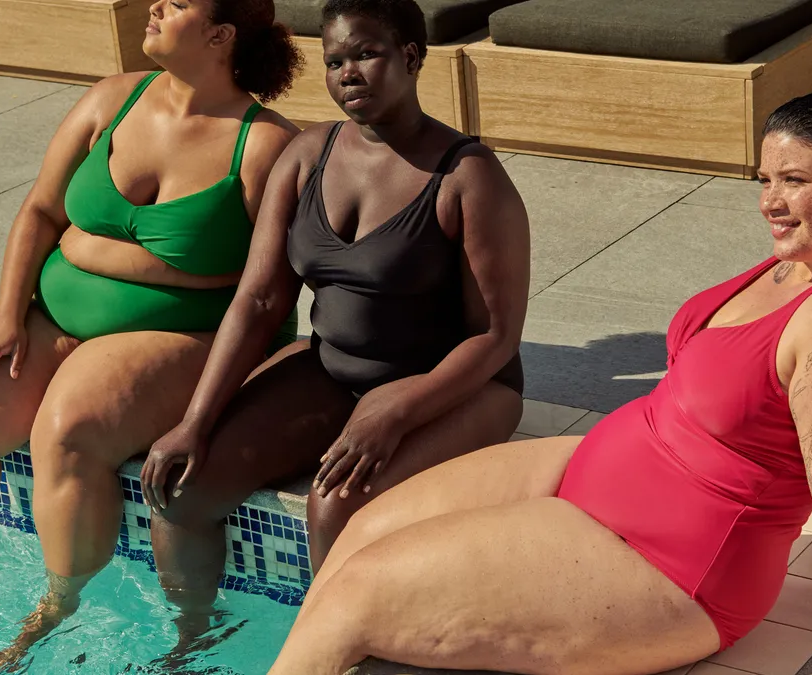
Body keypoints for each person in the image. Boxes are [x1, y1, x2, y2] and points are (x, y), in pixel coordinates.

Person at [266, 89, 812, 675]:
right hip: (604, 471)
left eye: (794, 180)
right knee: (356, 534)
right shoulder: (800, 263)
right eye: (764, 180)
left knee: (357, 594)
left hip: (674, 561)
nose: (771, 201)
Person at [0, 0, 303, 670]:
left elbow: (271, 285)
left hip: (187, 335)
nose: (155, 5)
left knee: (67, 426)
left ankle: (57, 607)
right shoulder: (112, 100)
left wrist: (107, 256)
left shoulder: (265, 143)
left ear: (220, 37)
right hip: (54, 315)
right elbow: (40, 209)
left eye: (179, 2)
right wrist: (7, 312)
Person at [138, 0, 529, 654]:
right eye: (335, 62)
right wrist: (194, 421)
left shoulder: (468, 178)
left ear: (410, 55)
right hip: (333, 370)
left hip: (461, 386)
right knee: (179, 488)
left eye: (368, 54)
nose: (350, 74)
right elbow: (260, 300)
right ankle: (191, 647)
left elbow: (496, 338)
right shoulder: (306, 155)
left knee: (335, 504)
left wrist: (399, 407)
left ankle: (333, 656)